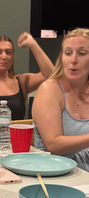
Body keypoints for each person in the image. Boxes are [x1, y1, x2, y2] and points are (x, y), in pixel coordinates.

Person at [32, 28, 89, 171]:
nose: (73, 60)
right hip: (57, 177)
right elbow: (53, 145)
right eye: (68, 53)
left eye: (82, 54)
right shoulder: (50, 89)